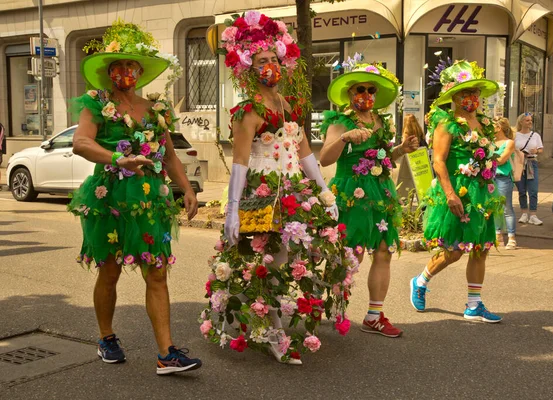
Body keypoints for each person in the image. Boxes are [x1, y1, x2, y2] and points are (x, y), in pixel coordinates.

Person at [199, 11, 358, 365]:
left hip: (292, 192)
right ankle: (271, 329)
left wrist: (325, 193)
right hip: (262, 195)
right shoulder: (248, 111)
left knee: (299, 256)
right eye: (261, 61)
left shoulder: (288, 106)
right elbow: (240, 162)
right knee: (267, 265)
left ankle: (282, 317)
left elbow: (304, 152)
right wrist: (231, 209)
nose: (270, 66)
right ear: (247, 68)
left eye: (274, 59)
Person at [67, 20, 201, 375]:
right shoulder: (96, 104)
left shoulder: (155, 108)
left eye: (131, 65)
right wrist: (117, 158)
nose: (125, 71)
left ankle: (167, 353)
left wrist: (186, 188)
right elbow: (80, 142)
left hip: (150, 198)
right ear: (108, 71)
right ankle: (106, 337)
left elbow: (170, 155)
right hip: (109, 196)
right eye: (118, 65)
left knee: (157, 273)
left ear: (140, 71)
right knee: (109, 271)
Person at [320, 56, 418, 338]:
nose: (366, 95)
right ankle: (333, 305)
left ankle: (374, 316)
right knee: (351, 255)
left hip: (379, 191)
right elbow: (325, 159)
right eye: (360, 90)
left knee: (384, 251)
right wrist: (345, 138)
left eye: (371, 90)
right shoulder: (340, 121)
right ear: (349, 94)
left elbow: (385, 157)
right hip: (352, 192)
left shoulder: (380, 122)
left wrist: (401, 149)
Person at [409, 59, 504, 323]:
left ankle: (474, 304)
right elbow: (438, 160)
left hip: (481, 194)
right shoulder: (446, 123)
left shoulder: (484, 123)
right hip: (456, 191)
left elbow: (491, 154)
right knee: (454, 250)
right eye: (465, 92)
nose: (471, 98)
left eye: (474, 92)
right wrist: (450, 193)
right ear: (453, 95)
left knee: (481, 248)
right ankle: (420, 280)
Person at [514, 113, 544, 225]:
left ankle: (533, 215)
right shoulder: (515, 135)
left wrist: (536, 151)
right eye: (527, 120)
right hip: (519, 164)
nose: (530, 122)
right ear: (521, 122)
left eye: (531, 120)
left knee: (533, 190)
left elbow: (541, 149)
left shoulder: (535, 135)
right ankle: (524, 213)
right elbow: (512, 149)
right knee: (521, 190)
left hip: (532, 163)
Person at [493, 117, 517, 249]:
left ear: (499, 127)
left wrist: (486, 157)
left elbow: (502, 160)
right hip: (490, 177)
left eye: (492, 125)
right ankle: (498, 235)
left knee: (507, 208)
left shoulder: (509, 143)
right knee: (495, 207)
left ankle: (512, 238)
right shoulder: (489, 142)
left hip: (503, 178)